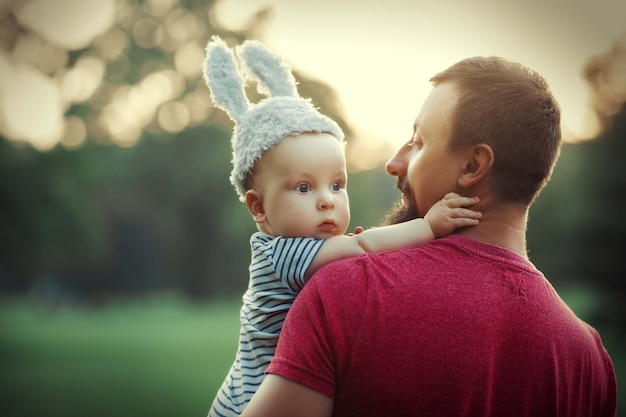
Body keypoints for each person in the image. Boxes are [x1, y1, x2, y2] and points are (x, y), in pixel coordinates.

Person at [239, 56, 618, 417]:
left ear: (472, 166)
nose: (394, 163)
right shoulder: (589, 361)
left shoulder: (347, 291)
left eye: (418, 142)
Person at [202, 37, 482, 417]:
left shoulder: (302, 247)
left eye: (336, 185)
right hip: (249, 399)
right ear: (259, 208)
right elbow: (364, 247)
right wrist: (429, 226)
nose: (326, 200)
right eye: (303, 187)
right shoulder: (282, 252)